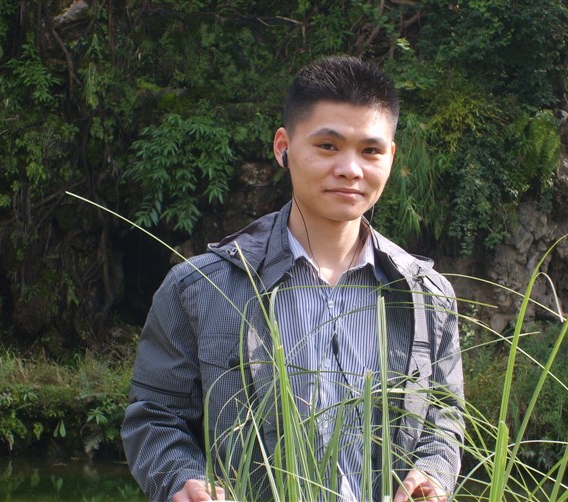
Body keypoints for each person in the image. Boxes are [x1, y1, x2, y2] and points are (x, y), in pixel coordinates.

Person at [121, 55, 464, 502]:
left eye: (370, 151)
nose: (351, 169)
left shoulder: (427, 295)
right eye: (328, 145)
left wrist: (432, 473)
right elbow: (154, 417)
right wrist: (181, 479)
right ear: (283, 147)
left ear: (391, 157)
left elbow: (444, 420)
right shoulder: (199, 288)